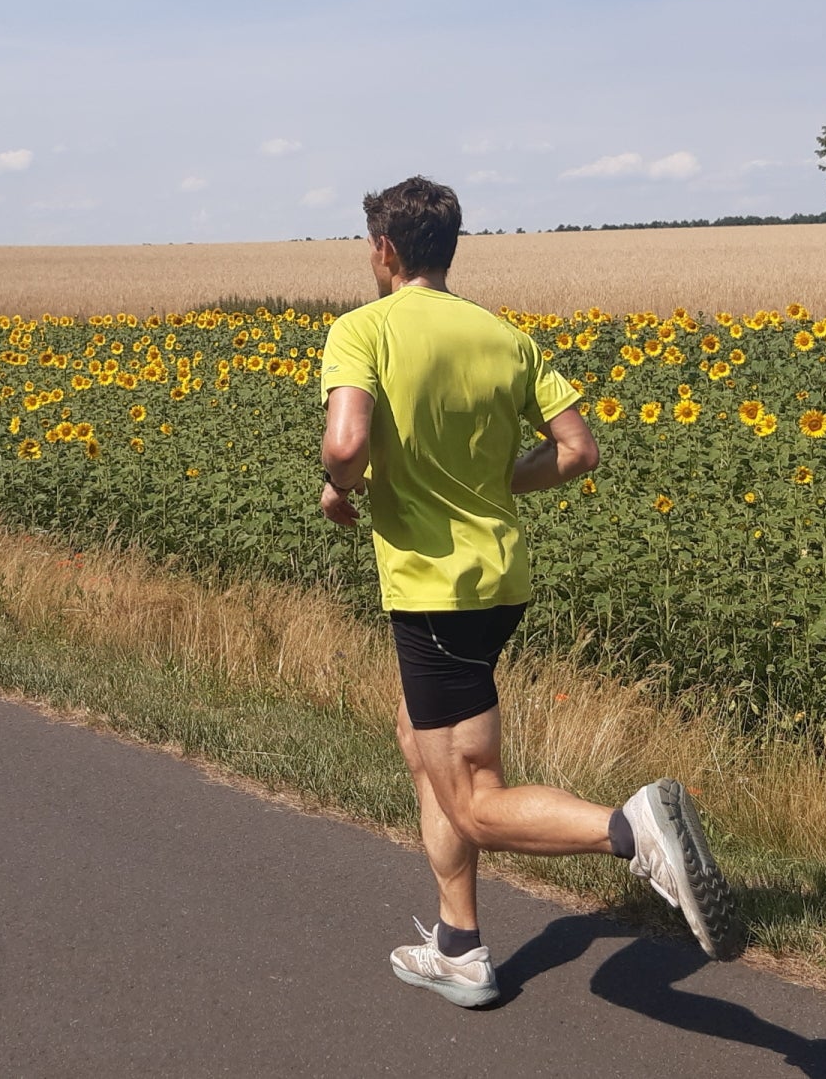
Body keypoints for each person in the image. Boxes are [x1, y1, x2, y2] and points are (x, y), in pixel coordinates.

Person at [317, 176, 741, 1009]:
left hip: (434, 594)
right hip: (500, 581)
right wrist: (499, 480)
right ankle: (459, 943)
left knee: (473, 800)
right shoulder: (506, 338)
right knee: (419, 737)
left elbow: (346, 440)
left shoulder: (361, 329)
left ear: (385, 251)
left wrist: (342, 486)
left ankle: (631, 831)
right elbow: (579, 450)